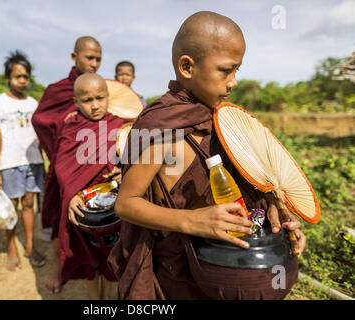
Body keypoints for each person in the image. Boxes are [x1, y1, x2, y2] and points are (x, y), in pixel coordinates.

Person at [108, 11, 306, 300]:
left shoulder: (225, 120)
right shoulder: (162, 127)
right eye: (226, 70)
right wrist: (193, 221)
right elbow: (126, 204)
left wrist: (274, 217)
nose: (234, 81)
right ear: (187, 66)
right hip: (179, 271)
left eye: (238, 70)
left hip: (231, 267)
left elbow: (249, 185)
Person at [31, 36, 102, 293]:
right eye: (89, 58)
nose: (94, 64)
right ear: (74, 57)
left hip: (96, 170)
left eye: (98, 59)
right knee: (60, 220)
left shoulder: (101, 88)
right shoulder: (57, 90)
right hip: (67, 166)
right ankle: (57, 271)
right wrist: (67, 120)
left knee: (95, 224)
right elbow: (39, 119)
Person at [54, 73, 123, 299]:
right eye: (87, 100)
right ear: (76, 103)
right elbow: (62, 166)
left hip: (112, 208)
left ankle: (107, 296)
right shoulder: (72, 127)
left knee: (112, 256)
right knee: (88, 259)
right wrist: (72, 194)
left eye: (99, 98)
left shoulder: (118, 124)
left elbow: (132, 160)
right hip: (83, 206)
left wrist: (125, 173)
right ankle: (95, 301)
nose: (95, 106)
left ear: (108, 97)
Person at [0, 50, 47, 271]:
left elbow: (39, 134)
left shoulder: (33, 103)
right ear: (8, 77)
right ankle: (12, 246)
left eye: (25, 76)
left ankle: (30, 246)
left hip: (32, 161)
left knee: (29, 205)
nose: (22, 80)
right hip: (9, 163)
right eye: (17, 76)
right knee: (11, 208)